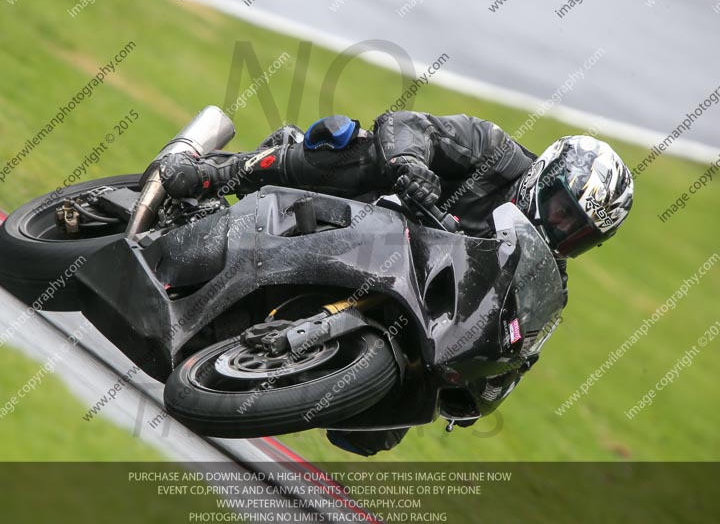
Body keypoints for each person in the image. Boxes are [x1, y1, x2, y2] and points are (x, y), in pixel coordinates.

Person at [154, 111, 635, 455]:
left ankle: (270, 354)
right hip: (373, 211)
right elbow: (410, 126)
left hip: (412, 304)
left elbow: (515, 348)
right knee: (347, 142)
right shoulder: (494, 151)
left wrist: (485, 383)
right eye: (560, 209)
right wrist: (412, 165)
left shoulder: (543, 274)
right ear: (545, 176)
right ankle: (215, 172)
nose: (561, 228)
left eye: (579, 232)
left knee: (370, 435)